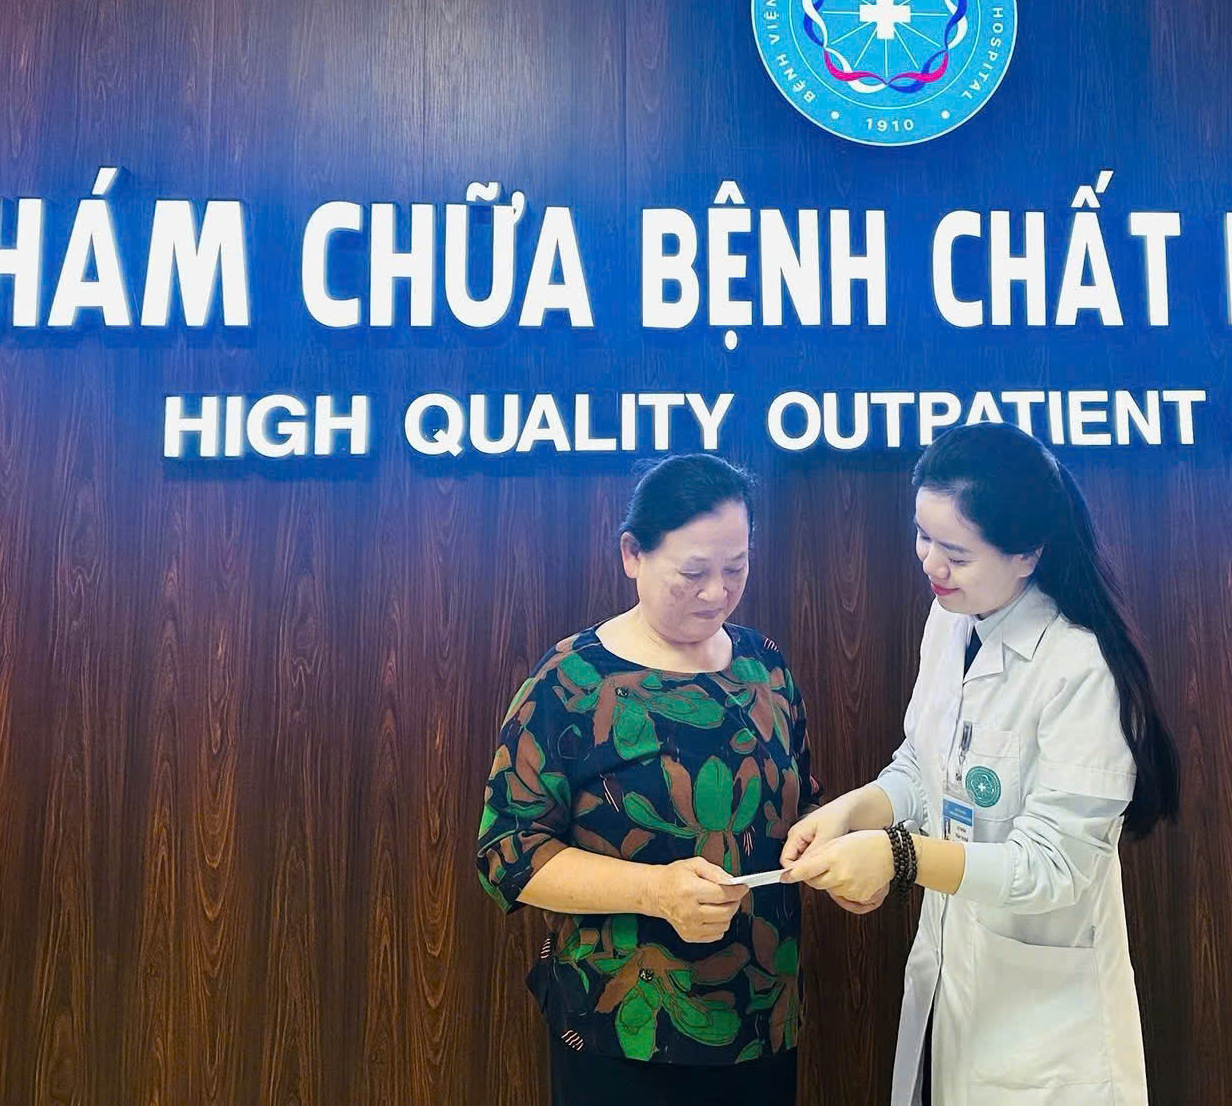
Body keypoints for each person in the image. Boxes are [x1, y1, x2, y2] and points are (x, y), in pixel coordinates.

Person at [782, 423, 1179, 1105]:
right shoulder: (951, 620)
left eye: (957, 553)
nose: (931, 565)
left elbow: (1053, 866)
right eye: (923, 536)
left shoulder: (1079, 666)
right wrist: (853, 812)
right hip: (956, 995)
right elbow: (924, 765)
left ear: (1027, 553)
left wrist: (899, 857)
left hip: (1049, 1042)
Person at [478, 455, 815, 1106]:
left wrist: (837, 849)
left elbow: (800, 809)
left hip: (763, 1022)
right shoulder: (571, 680)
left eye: (736, 567)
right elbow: (507, 854)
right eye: (693, 572)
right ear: (632, 554)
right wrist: (655, 891)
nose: (716, 592)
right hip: (620, 1033)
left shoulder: (765, 665)